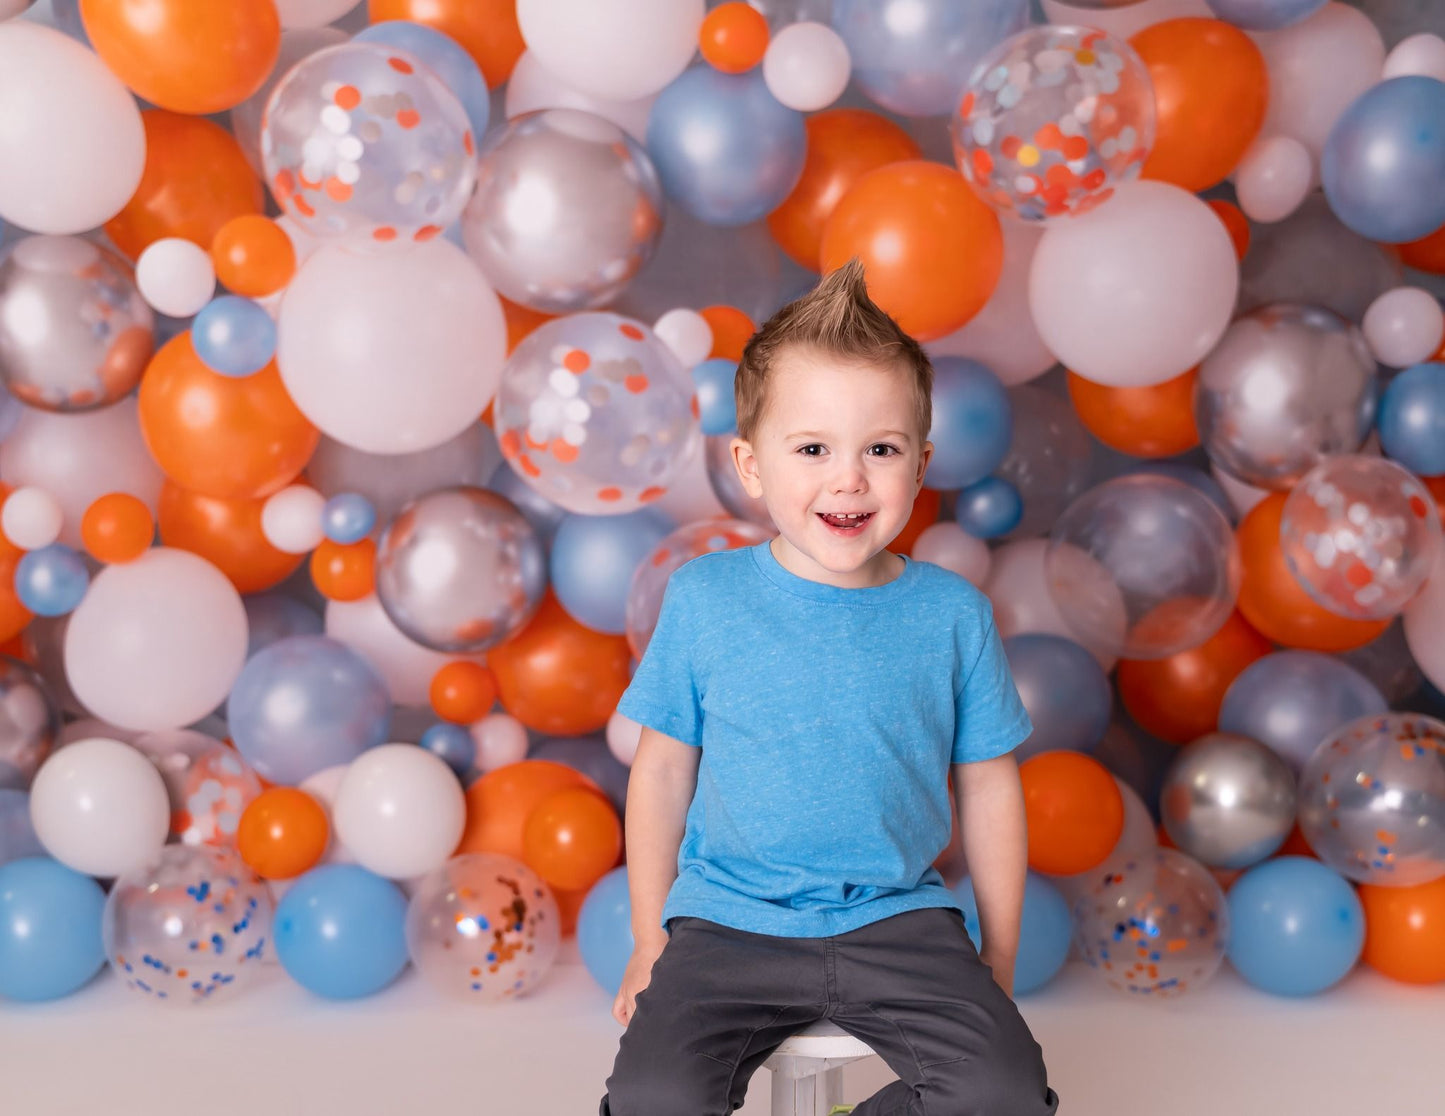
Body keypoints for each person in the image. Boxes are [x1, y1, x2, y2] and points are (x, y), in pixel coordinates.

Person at [598, 259, 1058, 1116]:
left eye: (878, 450)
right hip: (729, 921)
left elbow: (989, 786)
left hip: (900, 921)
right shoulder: (706, 598)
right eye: (811, 449)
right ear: (750, 466)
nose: (848, 478)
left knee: (1004, 1094)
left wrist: (996, 955)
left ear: (919, 467)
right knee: (653, 1097)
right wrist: (646, 937)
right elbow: (660, 774)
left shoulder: (951, 615)